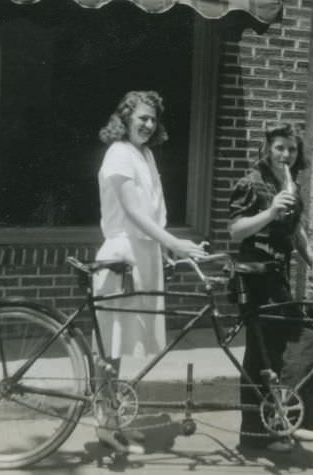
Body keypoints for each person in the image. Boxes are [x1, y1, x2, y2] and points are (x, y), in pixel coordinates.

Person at [94, 90, 207, 454]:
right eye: (141, 117)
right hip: (122, 255)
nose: (147, 124)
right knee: (110, 346)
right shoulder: (118, 154)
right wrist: (174, 243)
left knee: (126, 343)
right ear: (125, 118)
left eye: (153, 119)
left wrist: (164, 251)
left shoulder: (145, 155)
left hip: (144, 255)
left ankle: (117, 421)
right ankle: (106, 425)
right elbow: (132, 212)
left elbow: (154, 211)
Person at [228, 122, 313, 453]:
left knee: (263, 355)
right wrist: (270, 211)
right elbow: (236, 231)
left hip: (276, 279)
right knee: (304, 339)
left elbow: (294, 231)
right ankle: (292, 423)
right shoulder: (251, 183)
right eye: (280, 147)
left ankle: (261, 434)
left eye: (292, 149)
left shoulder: (289, 184)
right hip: (254, 279)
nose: (286, 154)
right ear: (267, 149)